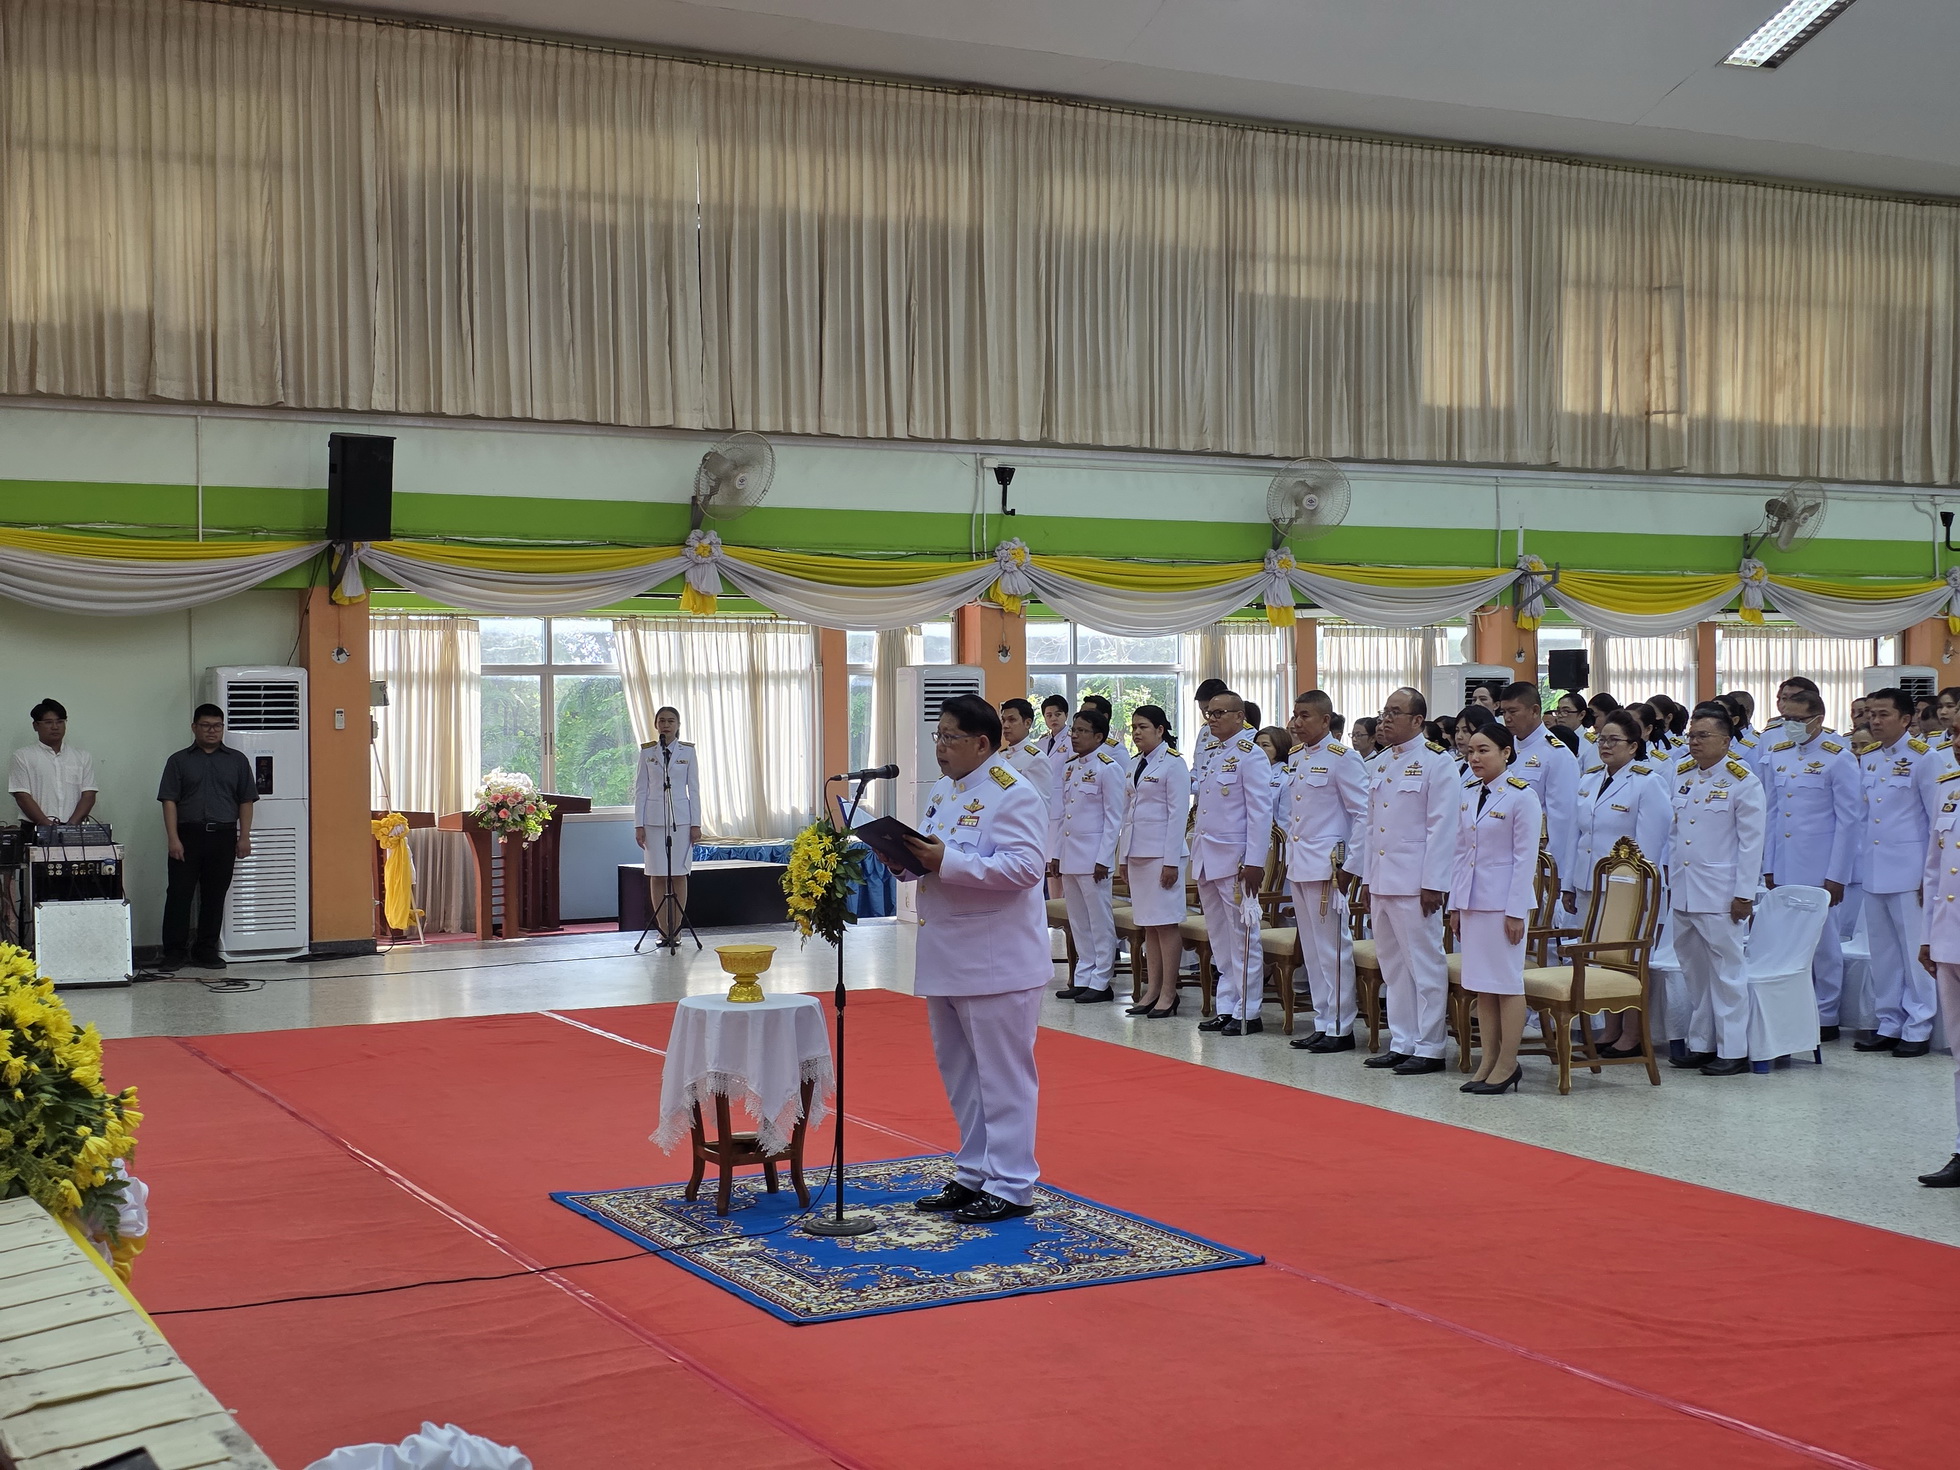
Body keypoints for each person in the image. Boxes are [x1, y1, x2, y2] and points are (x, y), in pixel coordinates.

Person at [894, 694, 1051, 1224]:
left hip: (996, 958)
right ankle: (974, 1170)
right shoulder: (944, 790)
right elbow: (938, 855)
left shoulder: (1015, 794)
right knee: (960, 1072)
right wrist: (909, 863)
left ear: (982, 743)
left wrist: (948, 861)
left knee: (1003, 1075)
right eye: (937, 737)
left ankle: (1012, 1183)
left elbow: (1026, 869)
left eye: (949, 738)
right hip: (946, 952)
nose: (939, 747)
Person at [1352, 687, 1457, 1075]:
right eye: (1384, 712)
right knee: (1393, 965)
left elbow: (1443, 827)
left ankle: (1430, 1046)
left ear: (1417, 721)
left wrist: (1434, 882)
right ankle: (1403, 1040)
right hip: (1381, 880)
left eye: (1395, 713)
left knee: (1424, 965)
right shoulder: (1379, 763)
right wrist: (1365, 876)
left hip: (1415, 882)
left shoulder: (1436, 762)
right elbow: (1368, 826)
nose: (1385, 719)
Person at [1667, 703, 1766, 1077]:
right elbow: (1676, 833)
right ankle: (1702, 1042)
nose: (1694, 742)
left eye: (1703, 735)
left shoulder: (1743, 781)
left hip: (1721, 892)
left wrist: (1744, 894)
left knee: (1727, 972)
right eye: (1691, 735)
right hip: (1685, 890)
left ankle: (1733, 1048)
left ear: (1726, 740)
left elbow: (1751, 843)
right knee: (1694, 971)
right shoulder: (1682, 776)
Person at [1759, 688, 1859, 1041]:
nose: (1791, 727)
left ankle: (1826, 1013)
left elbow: (1849, 821)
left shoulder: (1838, 757)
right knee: (1789, 938)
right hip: (1785, 864)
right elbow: (1772, 814)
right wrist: (1769, 865)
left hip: (1820, 866)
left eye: (1799, 721)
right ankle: (1794, 1008)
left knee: (1824, 940)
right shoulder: (1779, 755)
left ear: (1818, 719)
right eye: (1787, 719)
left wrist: (1837, 876)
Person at [1570, 710, 1672, 1055]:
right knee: (1600, 959)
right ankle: (1609, 1027)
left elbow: (1651, 844)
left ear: (1634, 746)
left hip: (1627, 890)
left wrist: (1643, 891)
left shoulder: (1647, 782)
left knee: (1627, 960)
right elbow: (1577, 836)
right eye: (1602, 739)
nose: (1605, 746)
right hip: (1589, 884)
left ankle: (1632, 1032)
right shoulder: (1588, 780)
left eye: (1614, 740)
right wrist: (1569, 884)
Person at [1450, 723, 1541, 1093]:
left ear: (1506, 752)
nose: (1474, 758)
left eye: (1484, 750)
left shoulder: (1522, 796)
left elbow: (1525, 859)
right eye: (1471, 751)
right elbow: (1460, 853)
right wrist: (1455, 905)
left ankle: (1508, 1062)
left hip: (1503, 904)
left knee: (1506, 983)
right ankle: (1487, 1058)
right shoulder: (1469, 792)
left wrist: (1516, 911)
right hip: (1472, 901)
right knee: (1481, 987)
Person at [1280, 691, 1369, 1053]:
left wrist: (1350, 865)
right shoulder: (1298, 757)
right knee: (1314, 951)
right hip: (1300, 862)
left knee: (1333, 948)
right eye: (1295, 716)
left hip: (1327, 866)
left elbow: (1363, 813)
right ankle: (1323, 1019)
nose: (1297, 723)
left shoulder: (1342, 759)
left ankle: (1340, 1025)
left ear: (1325, 720)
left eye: (1305, 716)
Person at [1854, 688, 1940, 1058]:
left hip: (1910, 872)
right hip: (1875, 870)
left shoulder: (1927, 759)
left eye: (1883, 714)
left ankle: (1919, 1026)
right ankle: (1889, 1022)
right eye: (1871, 714)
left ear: (1907, 719)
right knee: (1884, 954)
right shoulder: (1869, 759)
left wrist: (1929, 875)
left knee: (1912, 953)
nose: (1874, 721)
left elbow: (1937, 821)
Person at [1190, 692, 1274, 1037]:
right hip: (1208, 857)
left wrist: (1254, 861)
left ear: (1240, 717)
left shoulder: (1250, 755)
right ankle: (1227, 1005)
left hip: (1237, 860)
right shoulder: (1213, 754)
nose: (1212, 718)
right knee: (1220, 936)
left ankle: (1248, 1009)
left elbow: (1259, 812)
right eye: (1209, 713)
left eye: (1220, 713)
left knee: (1242, 937)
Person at [156, 704, 258, 973]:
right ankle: (174, 953)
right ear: (194, 728)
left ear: (223, 728)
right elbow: (169, 801)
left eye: (217, 726)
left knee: (214, 896)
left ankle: (206, 951)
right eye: (206, 725)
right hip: (187, 835)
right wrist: (173, 839)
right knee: (179, 895)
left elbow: (246, 800)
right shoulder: (178, 761)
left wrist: (244, 837)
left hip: (223, 836)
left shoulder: (237, 761)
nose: (212, 731)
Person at [1049, 707, 1129, 1004]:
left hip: (1094, 857)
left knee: (1099, 920)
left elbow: (1113, 819)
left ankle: (1101, 980)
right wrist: (1057, 853)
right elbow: (1064, 815)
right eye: (1074, 730)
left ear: (1098, 736)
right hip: (1071, 855)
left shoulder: (1109, 768)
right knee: (1078, 920)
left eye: (1082, 731)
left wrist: (1104, 858)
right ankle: (1083, 975)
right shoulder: (1071, 766)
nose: (1075, 736)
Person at [1119, 705, 1190, 1018]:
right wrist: (1123, 855)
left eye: (1143, 727)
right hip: (1138, 852)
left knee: (1165, 923)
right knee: (1148, 924)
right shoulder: (1136, 763)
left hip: (1162, 854)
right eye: (1134, 727)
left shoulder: (1173, 763)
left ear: (1161, 730)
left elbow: (1177, 815)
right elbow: (1128, 813)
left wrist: (1171, 862)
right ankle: (1152, 989)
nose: (1136, 733)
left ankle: (1169, 993)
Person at [1914, 769, 1960, 1187]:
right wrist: (1928, 937)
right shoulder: (1951, 787)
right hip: (1950, 941)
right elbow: (1934, 872)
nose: (1957, 742)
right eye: (1955, 734)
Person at [1497, 680, 1576, 893]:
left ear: (1534, 711)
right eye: (1503, 711)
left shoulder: (1556, 754)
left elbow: (1562, 819)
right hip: (1501, 855)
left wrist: (1554, 870)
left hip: (1535, 859)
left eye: (1513, 711)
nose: (1507, 718)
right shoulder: (1503, 748)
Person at [633, 706, 701, 942]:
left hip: (681, 821)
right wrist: (638, 824)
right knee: (657, 875)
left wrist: (696, 823)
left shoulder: (688, 752)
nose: (666, 725)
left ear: (678, 725)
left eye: (671, 721)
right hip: (652, 822)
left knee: (679, 874)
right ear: (656, 724)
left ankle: (677, 931)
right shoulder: (648, 752)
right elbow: (641, 790)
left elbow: (694, 789)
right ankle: (664, 931)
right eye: (662, 720)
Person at [9, 698, 98, 827]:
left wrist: (70, 826)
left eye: (60, 722)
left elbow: (89, 794)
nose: (55, 727)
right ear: (35, 726)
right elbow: (22, 796)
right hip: (35, 828)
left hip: (74, 827)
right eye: (48, 722)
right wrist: (49, 826)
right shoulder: (23, 756)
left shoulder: (82, 756)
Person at [998, 697, 1056, 808]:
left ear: (1027, 723)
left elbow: (1042, 805)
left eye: (1012, 720)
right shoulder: (1001, 755)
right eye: (1003, 720)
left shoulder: (1037, 759)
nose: (1005, 725)